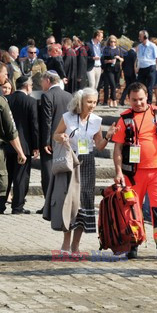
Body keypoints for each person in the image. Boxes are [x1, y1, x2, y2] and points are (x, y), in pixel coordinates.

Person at [112, 82, 157, 260]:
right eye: (134, 100)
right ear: (129, 100)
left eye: (141, 99)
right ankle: (132, 243)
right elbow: (117, 149)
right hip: (133, 173)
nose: (138, 103)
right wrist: (118, 172)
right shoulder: (124, 119)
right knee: (132, 209)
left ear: (147, 97)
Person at [51, 88, 116, 253]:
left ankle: (76, 245)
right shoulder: (68, 117)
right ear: (80, 102)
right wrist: (62, 137)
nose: (92, 105)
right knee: (71, 202)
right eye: (89, 102)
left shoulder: (96, 120)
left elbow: (99, 146)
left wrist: (108, 136)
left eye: (94, 102)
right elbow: (55, 135)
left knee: (84, 203)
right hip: (71, 161)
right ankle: (66, 243)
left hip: (87, 163)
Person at [38, 71, 73, 213]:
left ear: (47, 80)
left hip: (52, 140)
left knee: (48, 172)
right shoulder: (69, 95)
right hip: (66, 139)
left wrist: (46, 141)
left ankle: (49, 205)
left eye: (42, 81)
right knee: (63, 171)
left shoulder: (47, 96)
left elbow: (47, 120)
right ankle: (63, 203)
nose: (41, 84)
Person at [5, 76, 39, 214]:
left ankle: (1, 204)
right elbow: (34, 125)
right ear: (27, 86)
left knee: (6, 175)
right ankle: (17, 206)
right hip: (25, 145)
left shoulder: (7, 99)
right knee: (21, 176)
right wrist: (36, 145)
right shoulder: (31, 101)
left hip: (7, 144)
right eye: (31, 85)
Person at [0, 62, 28, 214]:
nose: (6, 77)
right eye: (5, 74)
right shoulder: (2, 102)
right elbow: (11, 130)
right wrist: (21, 152)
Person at [137, 30, 157, 104]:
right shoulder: (139, 46)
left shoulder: (152, 46)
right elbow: (138, 58)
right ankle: (141, 101)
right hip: (142, 68)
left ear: (145, 36)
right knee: (140, 86)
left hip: (150, 67)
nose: (139, 38)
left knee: (150, 87)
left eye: (140, 36)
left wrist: (152, 65)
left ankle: (149, 102)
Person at [101, 35, 123, 107]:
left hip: (117, 69)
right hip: (109, 69)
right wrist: (109, 61)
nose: (113, 43)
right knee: (112, 85)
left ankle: (111, 100)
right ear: (109, 42)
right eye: (111, 42)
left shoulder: (118, 49)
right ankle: (114, 100)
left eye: (114, 42)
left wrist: (119, 58)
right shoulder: (106, 49)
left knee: (115, 85)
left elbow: (123, 59)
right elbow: (103, 60)